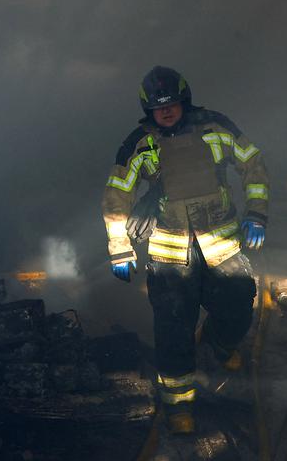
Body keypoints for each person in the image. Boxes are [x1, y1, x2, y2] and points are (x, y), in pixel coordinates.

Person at [100, 65, 269, 434]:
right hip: (169, 252)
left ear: (184, 101)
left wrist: (257, 212)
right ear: (149, 110)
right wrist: (119, 246)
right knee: (174, 332)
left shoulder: (215, 128)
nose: (166, 111)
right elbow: (117, 196)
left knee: (239, 304)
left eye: (172, 104)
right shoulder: (139, 144)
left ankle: (219, 346)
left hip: (220, 243)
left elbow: (252, 165)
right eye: (158, 107)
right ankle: (179, 406)